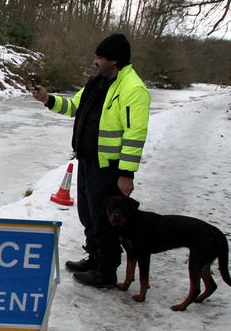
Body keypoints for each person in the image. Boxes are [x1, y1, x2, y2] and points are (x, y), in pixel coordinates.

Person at [30, 33, 151, 288]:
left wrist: (126, 173)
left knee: (103, 220)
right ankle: (95, 258)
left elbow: (135, 134)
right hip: (87, 162)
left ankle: (106, 272)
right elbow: (75, 106)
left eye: (100, 57)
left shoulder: (133, 89)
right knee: (88, 215)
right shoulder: (98, 82)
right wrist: (48, 99)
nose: (95, 61)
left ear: (114, 61)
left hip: (108, 168)